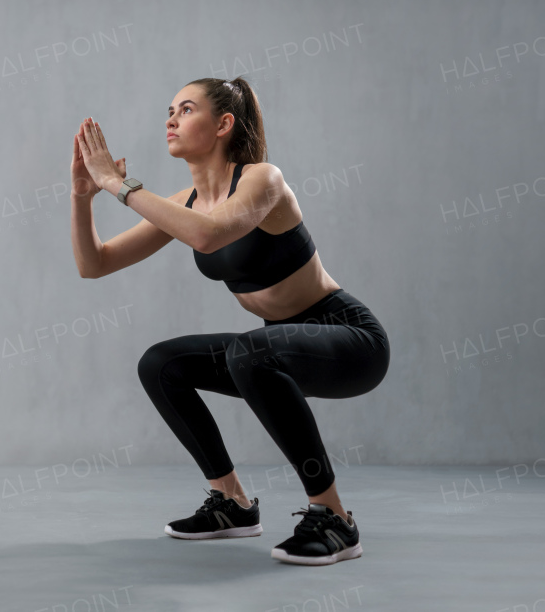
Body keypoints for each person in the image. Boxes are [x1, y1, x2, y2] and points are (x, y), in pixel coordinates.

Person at [69, 77, 390, 566]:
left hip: (348, 338)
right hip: (272, 348)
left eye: (186, 109)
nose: (170, 119)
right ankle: (232, 504)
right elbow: (95, 264)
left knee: (249, 352)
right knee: (161, 364)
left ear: (223, 124)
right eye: (169, 110)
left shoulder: (263, 179)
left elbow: (208, 236)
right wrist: (83, 195)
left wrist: (117, 183)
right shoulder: (184, 201)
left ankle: (335, 519)